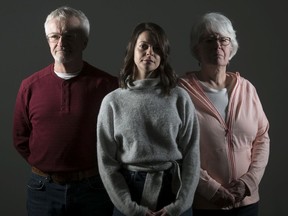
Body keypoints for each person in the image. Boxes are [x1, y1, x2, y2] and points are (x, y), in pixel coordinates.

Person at [12, 6, 118, 216]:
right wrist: (48, 165)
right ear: (48, 40)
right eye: (54, 37)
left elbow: (120, 137)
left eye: (69, 36)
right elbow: (20, 138)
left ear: (84, 41)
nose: (61, 43)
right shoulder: (30, 86)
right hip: (43, 189)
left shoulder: (107, 85)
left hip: (94, 188)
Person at [97, 22, 200, 216]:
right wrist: (129, 208)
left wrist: (179, 205)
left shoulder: (179, 98)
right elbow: (106, 163)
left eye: (157, 48)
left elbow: (192, 156)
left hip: (173, 191)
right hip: (128, 193)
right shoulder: (112, 102)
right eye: (143, 46)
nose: (149, 52)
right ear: (132, 50)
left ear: (163, 55)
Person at [178, 12, 270, 216]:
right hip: (203, 204)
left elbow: (262, 138)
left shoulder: (247, 89)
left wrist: (249, 183)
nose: (217, 45)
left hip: (247, 202)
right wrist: (210, 189)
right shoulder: (181, 92)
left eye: (223, 39)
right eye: (209, 40)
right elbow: (177, 148)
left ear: (232, 47)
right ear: (196, 49)